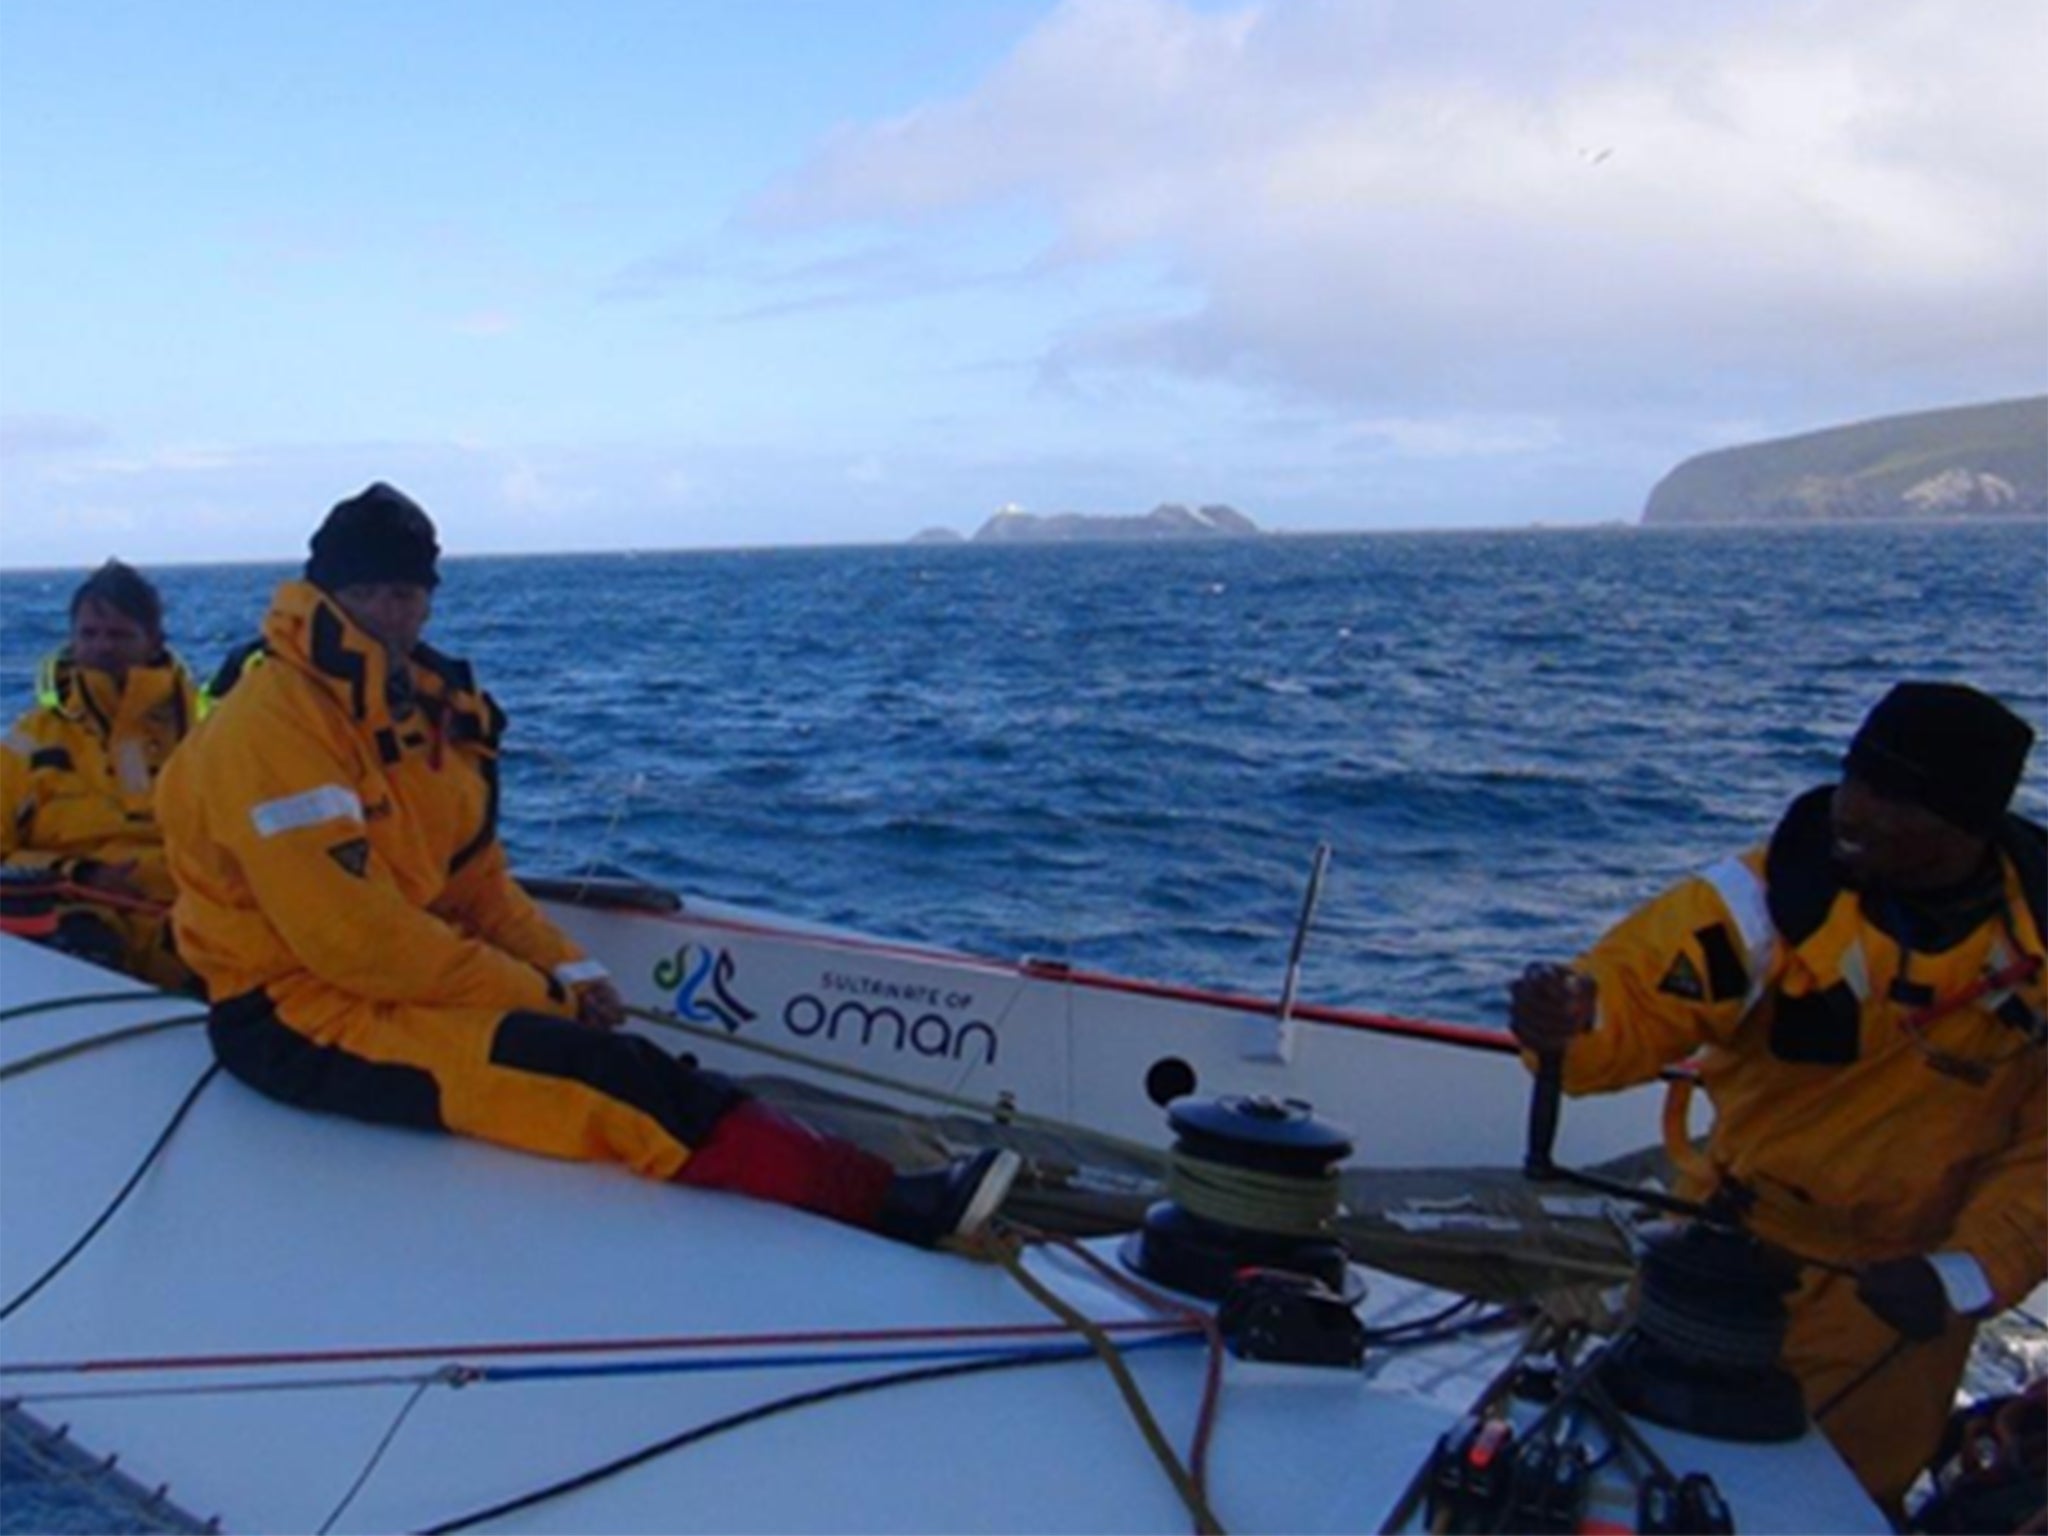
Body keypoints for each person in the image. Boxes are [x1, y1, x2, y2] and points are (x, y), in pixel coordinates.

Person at [158, 483, 1016, 1247]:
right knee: (594, 1076)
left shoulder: (424, 719)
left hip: (382, 990)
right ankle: (887, 1208)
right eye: (367, 592)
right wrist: (539, 996)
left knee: (614, 1056)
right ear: (323, 594)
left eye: (406, 593)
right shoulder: (270, 724)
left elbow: (476, 885)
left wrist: (568, 966)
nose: (388, 613)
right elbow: (355, 941)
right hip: (292, 1015)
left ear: (427, 603)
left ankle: (826, 1171)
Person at [1509, 681, 2045, 1517]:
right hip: (1726, 1263)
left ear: (1959, 829)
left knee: (1839, 1512)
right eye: (1853, 777)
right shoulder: (1773, 898)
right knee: (1650, 1491)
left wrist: (1958, 1276)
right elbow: (1643, 989)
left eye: (1888, 796)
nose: (1852, 810)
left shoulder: (2037, 946)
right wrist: (1575, 1018)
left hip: (1902, 1305)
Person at [0, 560, 197, 988]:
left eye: (119, 634)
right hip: (77, 920)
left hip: (197, 920)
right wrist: (78, 873)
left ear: (153, 641)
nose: (102, 647)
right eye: (89, 634)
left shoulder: (207, 734)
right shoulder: (29, 742)